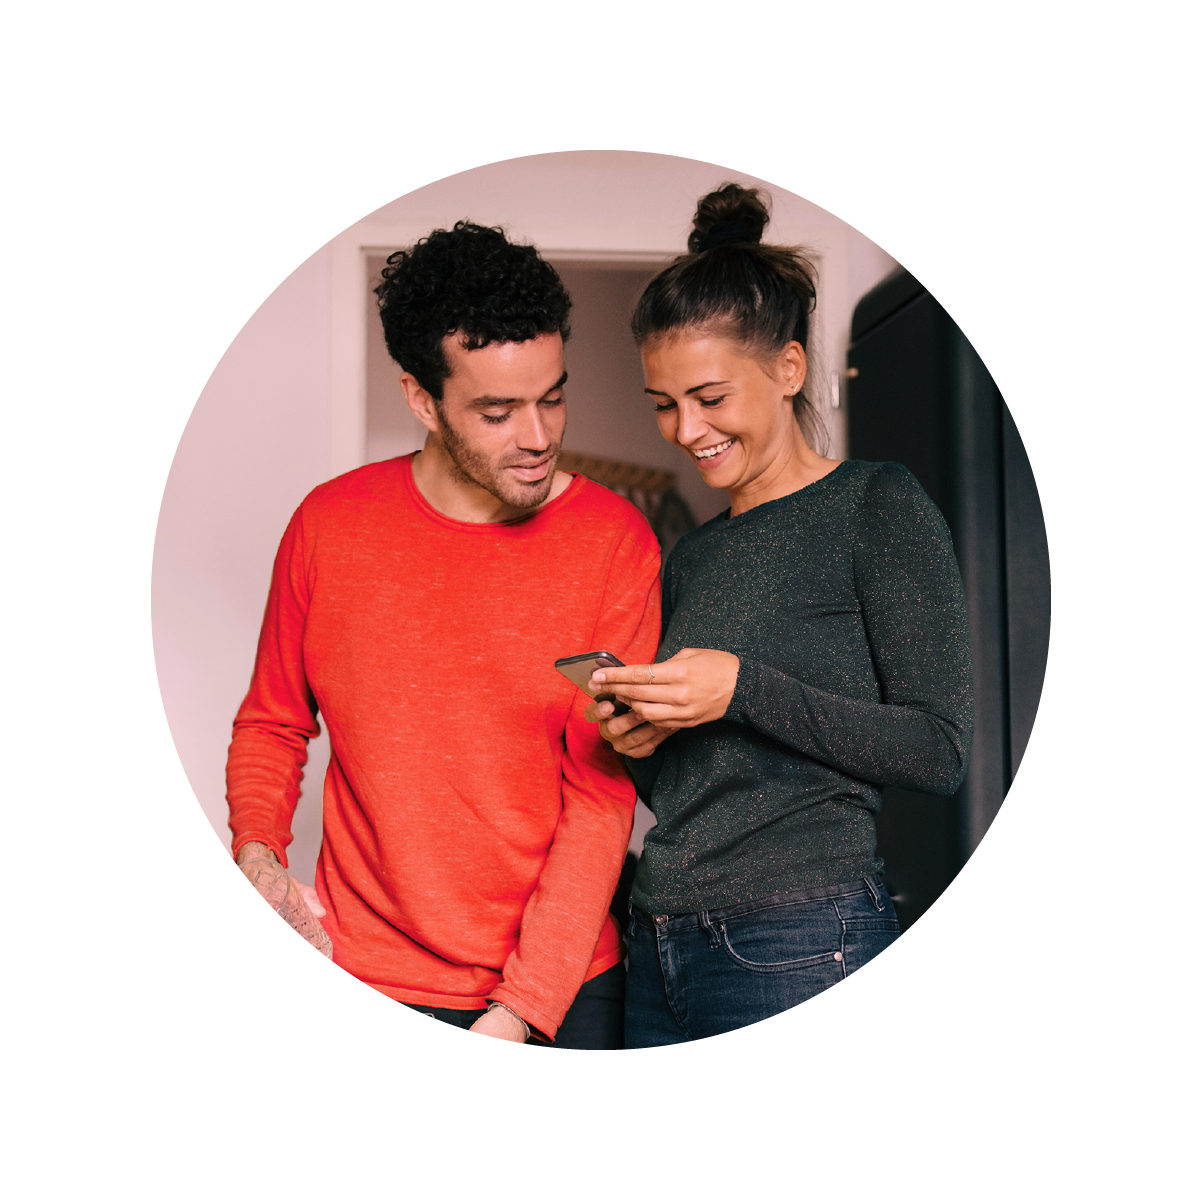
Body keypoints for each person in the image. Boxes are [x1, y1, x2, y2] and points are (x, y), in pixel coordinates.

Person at [226, 221, 661, 1048]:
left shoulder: (614, 544)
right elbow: (273, 721)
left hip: (561, 992)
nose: (536, 436)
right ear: (422, 399)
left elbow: (599, 795)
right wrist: (257, 852)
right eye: (497, 411)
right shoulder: (328, 526)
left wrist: (521, 1009)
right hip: (361, 977)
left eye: (553, 396)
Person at [585, 184, 974, 1047]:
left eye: (709, 396)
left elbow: (937, 750)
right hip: (656, 937)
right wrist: (643, 739)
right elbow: (706, 784)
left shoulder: (875, 504)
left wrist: (742, 687)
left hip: (800, 938)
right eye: (661, 402)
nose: (684, 429)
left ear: (788, 369)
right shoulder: (690, 554)